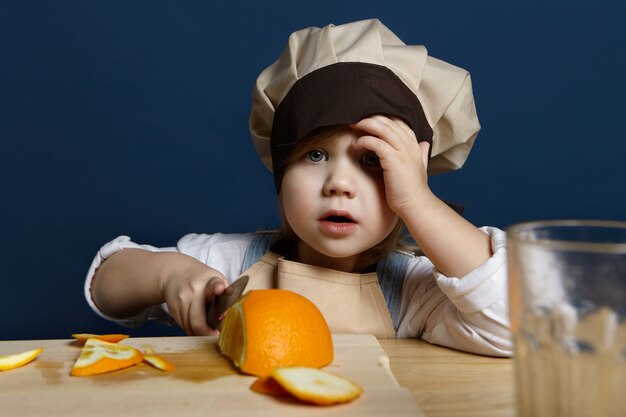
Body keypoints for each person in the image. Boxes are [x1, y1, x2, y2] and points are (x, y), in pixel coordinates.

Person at [85, 19, 512, 356]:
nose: (340, 184)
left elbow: (517, 325)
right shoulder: (227, 265)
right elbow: (106, 285)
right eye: (315, 155)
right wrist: (170, 276)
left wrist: (420, 202)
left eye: (372, 162)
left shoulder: (418, 292)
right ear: (280, 173)